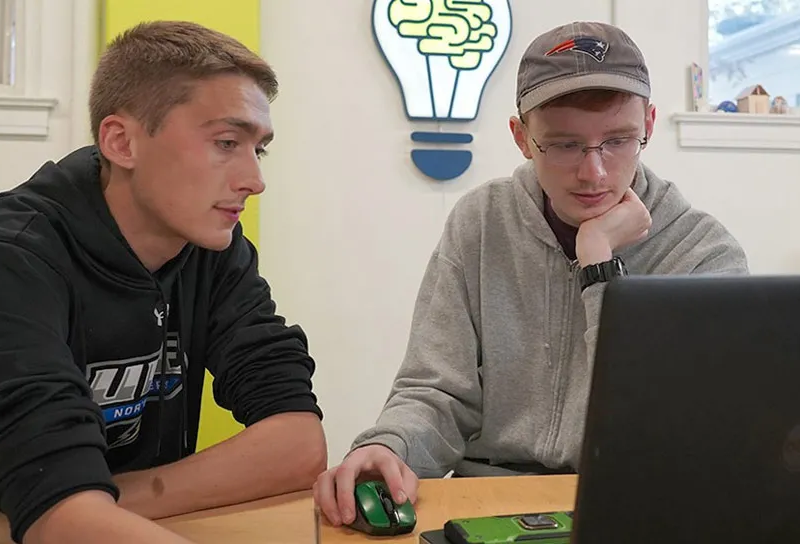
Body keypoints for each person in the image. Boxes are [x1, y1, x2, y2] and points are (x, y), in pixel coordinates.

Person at [313, 21, 748, 526]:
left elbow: (669, 435)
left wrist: (600, 267)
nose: (594, 172)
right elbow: (436, 391)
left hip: (630, 504)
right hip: (484, 500)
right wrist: (390, 447)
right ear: (521, 137)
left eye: (618, 141)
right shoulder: (481, 221)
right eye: (564, 145)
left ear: (648, 125)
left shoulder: (703, 253)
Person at [0, 21, 326, 544]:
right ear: (121, 141)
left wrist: (92, 499)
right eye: (226, 142)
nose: (254, 181)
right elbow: (57, 516)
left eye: (259, 149)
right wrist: (68, 503)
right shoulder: (4, 261)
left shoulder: (211, 248)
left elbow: (298, 442)